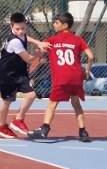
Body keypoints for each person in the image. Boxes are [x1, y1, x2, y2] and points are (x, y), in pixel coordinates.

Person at [26, 12, 92, 142]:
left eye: (56, 23)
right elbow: (90, 56)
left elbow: (40, 50)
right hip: (76, 77)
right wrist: (88, 71)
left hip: (62, 77)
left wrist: (36, 46)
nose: (54, 25)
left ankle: (44, 129)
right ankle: (83, 131)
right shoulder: (78, 40)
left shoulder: (52, 41)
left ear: (65, 25)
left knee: (52, 103)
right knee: (76, 104)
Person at [0, 12, 40, 138]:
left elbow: (26, 37)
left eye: (23, 28)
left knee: (31, 95)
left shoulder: (21, 35)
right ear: (11, 28)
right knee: (7, 100)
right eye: (17, 29)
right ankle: (1, 126)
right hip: (5, 74)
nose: (20, 31)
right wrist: (39, 53)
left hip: (17, 72)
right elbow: (29, 59)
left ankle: (18, 119)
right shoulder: (14, 42)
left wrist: (38, 42)